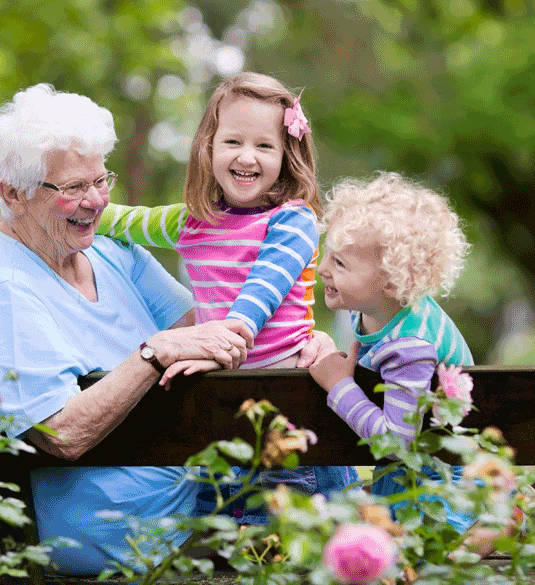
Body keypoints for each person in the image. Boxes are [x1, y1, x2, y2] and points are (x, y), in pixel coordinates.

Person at [0, 83, 332, 575]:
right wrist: (152, 353)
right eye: (72, 188)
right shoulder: (5, 288)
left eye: (100, 180)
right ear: (12, 193)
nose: (95, 202)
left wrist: (296, 334)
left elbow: (206, 326)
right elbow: (58, 432)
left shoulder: (105, 250)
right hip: (119, 538)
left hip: (203, 503)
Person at [96, 72, 359, 523]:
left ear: (285, 156)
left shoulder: (292, 222)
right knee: (228, 545)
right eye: (233, 141)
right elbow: (126, 220)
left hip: (290, 418)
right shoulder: (192, 221)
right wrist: (81, 210)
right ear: (209, 148)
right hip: (224, 418)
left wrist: (221, 345)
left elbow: (258, 298)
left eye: (264, 146)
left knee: (298, 548)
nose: (247, 156)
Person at [308, 171, 509, 555]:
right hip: (418, 465)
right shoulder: (371, 312)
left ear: (389, 281)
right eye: (327, 256)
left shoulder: (410, 346)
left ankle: (492, 525)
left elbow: (397, 443)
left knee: (429, 554)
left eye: (340, 263)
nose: (323, 270)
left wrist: (339, 387)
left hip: (445, 473)